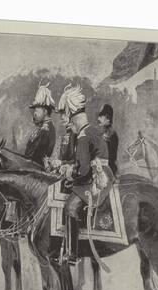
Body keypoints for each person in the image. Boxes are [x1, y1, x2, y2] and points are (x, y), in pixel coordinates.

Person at [57, 84, 115, 263]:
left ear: (74, 119)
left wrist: (68, 173)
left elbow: (82, 170)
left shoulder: (83, 135)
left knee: (70, 207)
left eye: (70, 121)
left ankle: (72, 253)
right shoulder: (93, 130)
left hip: (97, 179)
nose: (70, 125)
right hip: (102, 173)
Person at [24, 82, 56, 166]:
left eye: (37, 111)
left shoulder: (46, 130)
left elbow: (34, 157)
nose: (34, 113)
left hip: (35, 171)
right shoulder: (43, 128)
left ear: (45, 111)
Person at [97, 104, 119, 175]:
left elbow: (111, 158)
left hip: (108, 172)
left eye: (101, 116)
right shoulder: (104, 133)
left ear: (108, 118)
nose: (98, 119)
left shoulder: (111, 134)